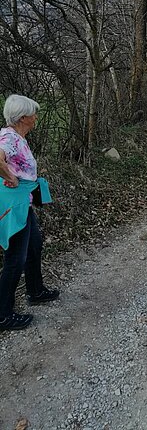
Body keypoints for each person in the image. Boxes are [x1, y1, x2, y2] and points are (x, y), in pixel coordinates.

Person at [0, 94, 59, 332]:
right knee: (16, 258)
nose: (36, 118)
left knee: (34, 245)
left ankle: (35, 291)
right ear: (23, 117)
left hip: (23, 203)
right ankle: (3, 314)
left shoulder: (18, 137)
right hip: (14, 206)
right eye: (34, 114)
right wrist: (9, 177)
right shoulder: (8, 137)